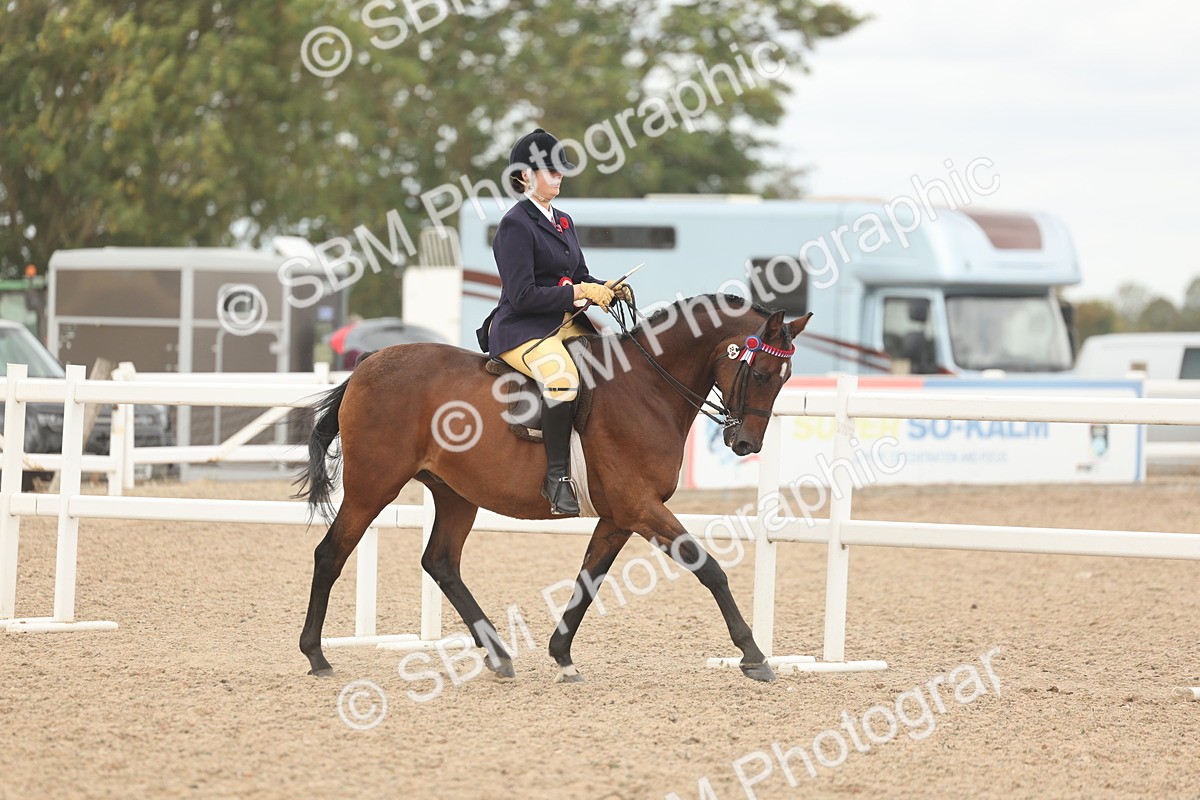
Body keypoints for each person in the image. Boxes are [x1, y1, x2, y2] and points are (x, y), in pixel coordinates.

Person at [476, 128, 632, 516]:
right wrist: (580, 294)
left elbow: (579, 274)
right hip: (522, 328)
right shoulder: (515, 225)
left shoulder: (562, 220)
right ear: (525, 176)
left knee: (616, 366)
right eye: (549, 170)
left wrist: (606, 287)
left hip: (563, 324)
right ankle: (557, 478)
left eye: (561, 170)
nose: (558, 177)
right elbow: (523, 295)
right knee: (562, 379)